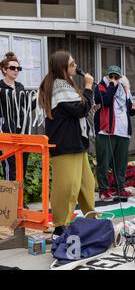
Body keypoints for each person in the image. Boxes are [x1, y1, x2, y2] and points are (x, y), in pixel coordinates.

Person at [38, 51, 96, 238]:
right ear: (62, 67)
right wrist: (88, 87)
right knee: (67, 186)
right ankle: (60, 226)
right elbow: (80, 109)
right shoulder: (57, 86)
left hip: (76, 142)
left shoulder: (65, 85)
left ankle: (91, 220)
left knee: (86, 184)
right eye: (72, 64)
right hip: (64, 144)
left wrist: (88, 101)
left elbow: (81, 108)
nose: (75, 66)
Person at [93, 66, 135, 202]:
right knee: (104, 162)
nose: (113, 79)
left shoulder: (124, 89)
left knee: (121, 162)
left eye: (116, 77)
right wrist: (112, 87)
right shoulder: (101, 86)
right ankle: (104, 190)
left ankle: (120, 188)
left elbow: (128, 109)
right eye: (111, 76)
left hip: (123, 131)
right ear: (107, 76)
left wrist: (133, 109)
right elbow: (105, 100)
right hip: (106, 130)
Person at [0, 52, 36, 181]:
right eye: (12, 68)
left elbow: (27, 107)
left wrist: (38, 98)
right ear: (4, 69)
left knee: (22, 165)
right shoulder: (0, 87)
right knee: (9, 166)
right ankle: (11, 200)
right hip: (6, 132)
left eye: (18, 68)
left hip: (22, 132)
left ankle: (20, 199)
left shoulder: (20, 87)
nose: (16, 71)